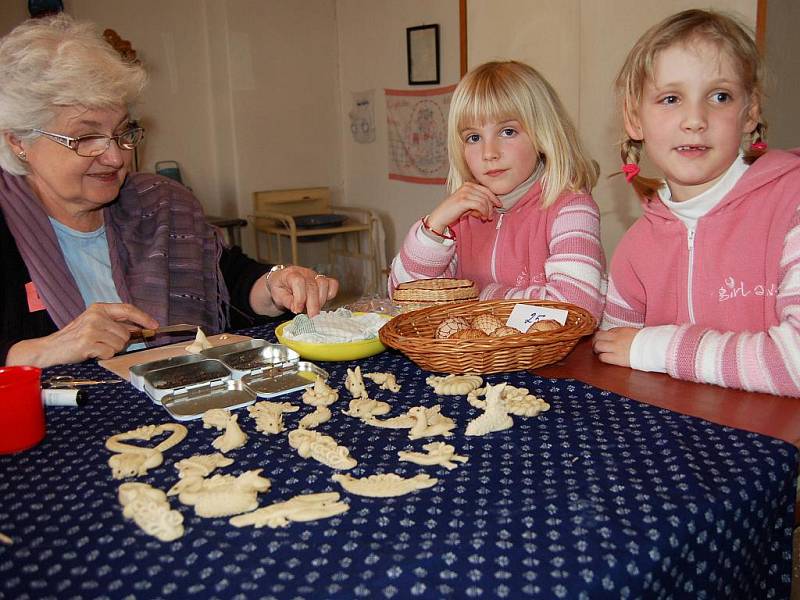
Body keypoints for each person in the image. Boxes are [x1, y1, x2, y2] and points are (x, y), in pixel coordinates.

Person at [0, 15, 338, 368]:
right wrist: (42, 351)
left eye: (122, 132)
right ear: (19, 141)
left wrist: (274, 284)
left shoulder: (160, 204)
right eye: (86, 138)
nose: (116, 157)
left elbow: (227, 279)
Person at [593, 9, 800, 396]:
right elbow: (614, 358)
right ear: (634, 119)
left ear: (750, 112)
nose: (694, 119)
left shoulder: (792, 204)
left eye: (719, 96)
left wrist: (661, 348)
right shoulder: (634, 250)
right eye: (670, 98)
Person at [388, 61, 606, 321]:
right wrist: (434, 227)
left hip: (556, 361)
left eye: (508, 131)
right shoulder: (462, 217)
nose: (489, 153)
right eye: (474, 137)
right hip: (473, 361)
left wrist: (479, 297)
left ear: (543, 135)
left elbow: (575, 306)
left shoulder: (570, 208)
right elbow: (405, 297)